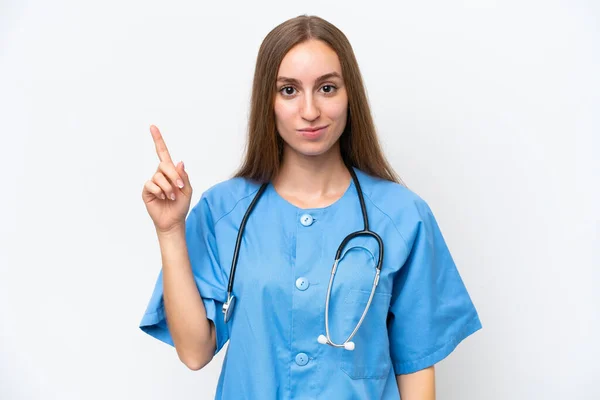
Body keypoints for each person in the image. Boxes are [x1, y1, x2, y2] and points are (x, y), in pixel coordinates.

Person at [139, 14, 481, 400]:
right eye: (288, 90)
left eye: (327, 88)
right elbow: (195, 352)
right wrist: (169, 232)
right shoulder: (223, 210)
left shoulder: (403, 217)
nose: (310, 111)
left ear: (349, 94)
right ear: (267, 100)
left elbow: (416, 368)